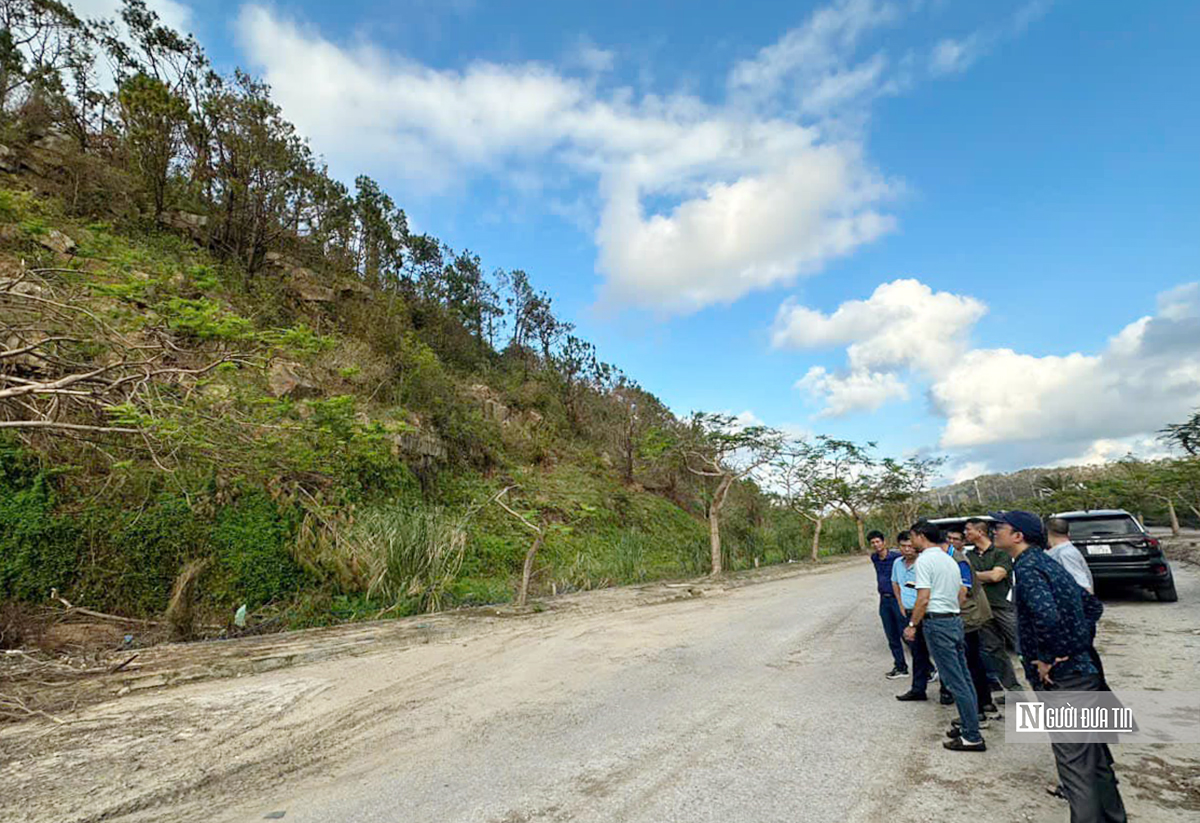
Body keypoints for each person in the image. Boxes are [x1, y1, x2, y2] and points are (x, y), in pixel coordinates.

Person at [992, 510, 1127, 822]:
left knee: (1075, 766)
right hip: (1086, 672)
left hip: (1065, 681)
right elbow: (1092, 606)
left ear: (1018, 536)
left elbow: (1048, 617)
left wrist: (1053, 655)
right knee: (1095, 760)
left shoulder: (1027, 569)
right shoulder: (1047, 562)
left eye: (1000, 526)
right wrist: (1078, 644)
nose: (994, 530)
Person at [903, 520, 985, 751]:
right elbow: (962, 592)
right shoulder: (949, 559)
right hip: (954, 620)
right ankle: (971, 722)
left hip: (937, 624)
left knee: (954, 680)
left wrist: (912, 624)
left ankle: (972, 736)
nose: (911, 541)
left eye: (912, 537)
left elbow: (923, 598)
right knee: (964, 677)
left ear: (920, 536)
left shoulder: (925, 561)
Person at [945, 527, 998, 720]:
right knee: (974, 661)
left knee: (970, 663)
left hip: (967, 616)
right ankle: (984, 703)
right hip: (968, 614)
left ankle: (978, 711)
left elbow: (964, 591)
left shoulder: (957, 559)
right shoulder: (954, 557)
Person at [964, 517, 1021, 693]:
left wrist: (973, 575)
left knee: (1022, 646)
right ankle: (1014, 691)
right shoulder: (969, 555)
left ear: (980, 532)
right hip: (983, 610)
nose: (965, 533)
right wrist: (982, 575)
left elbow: (997, 576)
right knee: (994, 651)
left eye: (968, 530)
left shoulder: (1000, 552)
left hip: (1003, 607)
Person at [892, 532, 934, 701]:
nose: (908, 549)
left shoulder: (925, 562)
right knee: (917, 653)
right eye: (904, 546)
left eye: (911, 545)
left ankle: (947, 691)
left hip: (927, 613)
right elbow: (895, 584)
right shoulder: (897, 563)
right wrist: (901, 605)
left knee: (938, 654)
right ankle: (918, 689)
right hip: (909, 612)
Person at [869, 530, 908, 679]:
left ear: (884, 542)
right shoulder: (875, 558)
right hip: (884, 600)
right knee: (891, 635)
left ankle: (928, 669)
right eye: (873, 542)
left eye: (878, 541)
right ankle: (900, 666)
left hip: (898, 598)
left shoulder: (897, 557)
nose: (876, 545)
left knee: (906, 634)